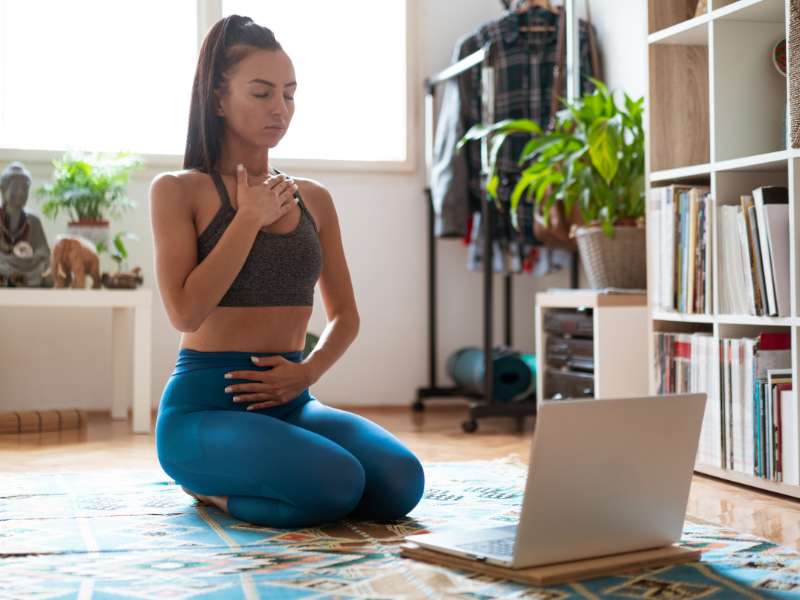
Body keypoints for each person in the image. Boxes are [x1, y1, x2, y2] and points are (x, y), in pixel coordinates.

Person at [150, 15, 425, 528]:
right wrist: (248, 218)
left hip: (292, 401)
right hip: (205, 409)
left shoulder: (314, 198)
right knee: (336, 483)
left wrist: (307, 373)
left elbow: (345, 316)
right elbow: (185, 311)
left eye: (290, 94)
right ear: (217, 99)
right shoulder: (178, 190)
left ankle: (283, 477)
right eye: (261, 93)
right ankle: (209, 489)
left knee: (401, 481)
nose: (280, 109)